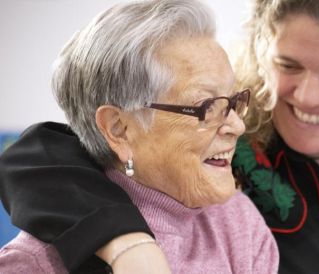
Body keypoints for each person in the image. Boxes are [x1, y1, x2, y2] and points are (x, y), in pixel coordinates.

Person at [0, 0, 319, 273]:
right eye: (289, 66)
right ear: (263, 54)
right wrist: (129, 243)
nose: (309, 94)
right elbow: (41, 156)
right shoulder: (228, 145)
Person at [0, 0, 280, 273]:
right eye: (205, 107)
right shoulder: (36, 263)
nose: (236, 126)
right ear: (119, 129)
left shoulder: (237, 222)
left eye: (232, 100)